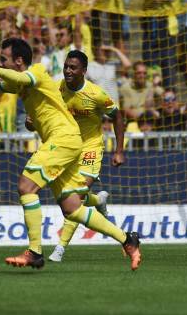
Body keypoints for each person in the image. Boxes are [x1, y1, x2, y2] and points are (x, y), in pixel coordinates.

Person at [0, 38, 141, 270]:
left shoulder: (37, 72)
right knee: (72, 207)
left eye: (3, 59)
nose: (0, 63)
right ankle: (127, 240)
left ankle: (34, 251)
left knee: (26, 187)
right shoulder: (21, 82)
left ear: (19, 61)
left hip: (63, 139)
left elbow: (22, 78)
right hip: (68, 141)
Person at [43, 50, 126, 263]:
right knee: (66, 199)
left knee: (76, 198)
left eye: (73, 67)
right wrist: (32, 121)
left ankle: (60, 249)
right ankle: (98, 200)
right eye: (66, 66)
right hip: (67, 148)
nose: (68, 71)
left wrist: (119, 150)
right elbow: (44, 112)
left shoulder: (96, 94)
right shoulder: (57, 89)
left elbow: (117, 117)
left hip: (90, 148)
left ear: (84, 71)